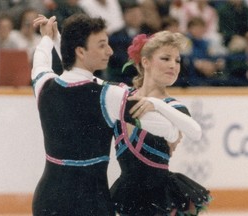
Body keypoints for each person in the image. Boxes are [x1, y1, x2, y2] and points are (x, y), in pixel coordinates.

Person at [31, 14, 201, 215]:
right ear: (80, 51)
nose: (110, 51)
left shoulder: (42, 83)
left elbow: (41, 60)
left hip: (47, 199)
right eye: (102, 45)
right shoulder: (110, 94)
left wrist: (48, 38)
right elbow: (169, 131)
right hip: (91, 203)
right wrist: (165, 120)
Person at [110, 31, 211, 216]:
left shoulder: (173, 107)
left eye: (177, 60)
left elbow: (196, 132)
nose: (173, 65)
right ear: (146, 62)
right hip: (125, 194)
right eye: (165, 58)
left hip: (161, 199)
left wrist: (156, 104)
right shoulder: (122, 95)